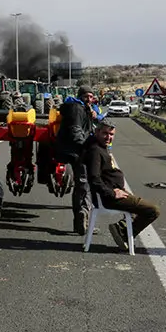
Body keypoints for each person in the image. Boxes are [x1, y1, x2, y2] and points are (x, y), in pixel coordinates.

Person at [85, 120, 160, 250]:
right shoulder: (95, 151)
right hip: (110, 198)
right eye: (105, 133)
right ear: (97, 132)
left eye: (112, 134)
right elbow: (94, 179)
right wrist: (113, 193)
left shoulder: (101, 147)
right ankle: (123, 232)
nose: (109, 137)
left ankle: (122, 228)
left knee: (140, 208)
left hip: (114, 193)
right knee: (153, 210)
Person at [55, 84, 99, 235]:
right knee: (85, 184)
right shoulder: (76, 109)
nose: (89, 99)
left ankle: (82, 218)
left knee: (83, 184)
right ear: (80, 96)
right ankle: (83, 216)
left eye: (91, 96)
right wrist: (87, 147)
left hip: (77, 151)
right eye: (86, 96)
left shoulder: (83, 108)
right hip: (78, 152)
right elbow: (76, 131)